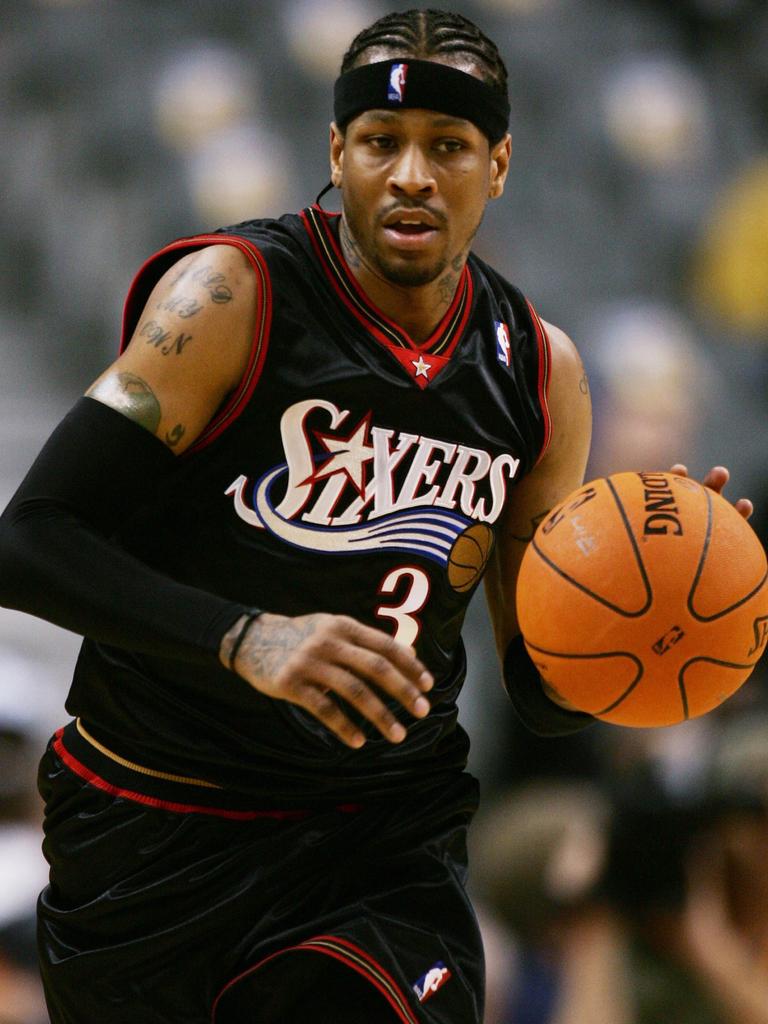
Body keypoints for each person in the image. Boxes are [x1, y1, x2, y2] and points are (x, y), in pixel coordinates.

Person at [0, 8, 752, 1023]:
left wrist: (651, 608)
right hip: (154, 825)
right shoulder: (228, 297)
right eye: (381, 143)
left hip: (380, 837)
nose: (410, 175)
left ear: (500, 166)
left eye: (447, 146)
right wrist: (245, 638)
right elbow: (30, 539)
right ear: (336, 152)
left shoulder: (540, 372)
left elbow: (543, 690)